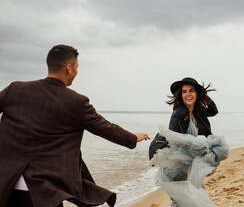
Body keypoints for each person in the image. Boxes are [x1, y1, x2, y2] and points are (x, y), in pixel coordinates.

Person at [0, 45, 150, 207]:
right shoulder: (76, 102)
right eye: (77, 67)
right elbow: (106, 128)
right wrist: (133, 138)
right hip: (45, 192)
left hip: (7, 185)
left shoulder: (15, 89)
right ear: (68, 68)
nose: (77, 72)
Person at [149, 77, 221, 207]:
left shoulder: (197, 111)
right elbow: (173, 138)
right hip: (177, 162)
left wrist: (203, 96)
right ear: (180, 95)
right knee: (185, 198)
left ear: (197, 94)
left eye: (192, 91)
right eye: (184, 91)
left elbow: (213, 111)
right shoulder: (180, 112)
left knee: (186, 197)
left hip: (187, 160)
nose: (188, 94)